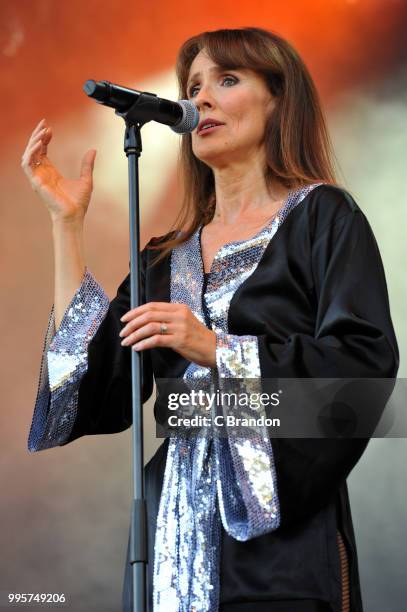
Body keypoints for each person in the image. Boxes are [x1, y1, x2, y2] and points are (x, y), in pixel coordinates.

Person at [22, 27, 398, 612]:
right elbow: (88, 385)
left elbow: (364, 383)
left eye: (227, 80)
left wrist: (218, 350)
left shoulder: (324, 219)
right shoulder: (164, 258)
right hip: (170, 536)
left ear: (278, 99)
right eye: (193, 86)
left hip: (276, 539)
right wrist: (66, 226)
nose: (201, 99)